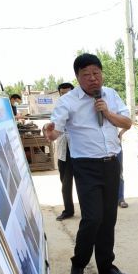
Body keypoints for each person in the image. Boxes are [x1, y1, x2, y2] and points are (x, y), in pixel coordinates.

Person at [44, 53, 133, 274]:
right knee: (93, 217)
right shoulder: (68, 101)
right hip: (86, 166)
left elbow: (127, 122)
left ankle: (106, 266)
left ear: (101, 73)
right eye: (86, 75)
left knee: (108, 218)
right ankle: (78, 265)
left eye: (96, 73)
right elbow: (56, 131)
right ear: (78, 77)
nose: (93, 79)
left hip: (111, 164)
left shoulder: (111, 95)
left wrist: (108, 113)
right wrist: (49, 132)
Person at [54, 82, 75, 221]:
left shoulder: (81, 107)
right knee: (66, 183)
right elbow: (55, 125)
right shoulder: (58, 107)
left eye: (68, 92)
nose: (65, 95)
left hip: (80, 151)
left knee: (84, 184)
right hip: (64, 151)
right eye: (63, 93)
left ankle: (88, 211)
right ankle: (68, 210)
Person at [118, 127, 129, 208]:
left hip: (114, 144)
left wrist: (120, 133)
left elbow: (128, 122)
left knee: (118, 172)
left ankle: (120, 199)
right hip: (96, 146)